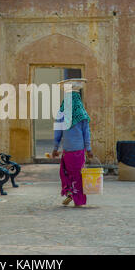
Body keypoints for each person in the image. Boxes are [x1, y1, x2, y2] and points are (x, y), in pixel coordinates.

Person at [52, 78, 93, 207]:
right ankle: (77, 199)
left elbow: (57, 132)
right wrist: (89, 149)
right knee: (78, 174)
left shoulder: (62, 113)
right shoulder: (82, 113)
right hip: (79, 150)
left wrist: (55, 147)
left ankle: (70, 193)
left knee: (67, 172)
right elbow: (86, 133)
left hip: (67, 150)